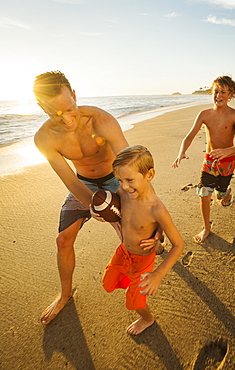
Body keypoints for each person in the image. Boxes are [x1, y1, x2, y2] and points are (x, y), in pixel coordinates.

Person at [33, 71, 160, 325]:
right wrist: (95, 204)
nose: (67, 119)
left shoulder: (102, 120)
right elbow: (70, 181)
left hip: (117, 178)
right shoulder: (44, 138)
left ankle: (154, 248)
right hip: (83, 184)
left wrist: (149, 214)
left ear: (75, 96)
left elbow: (132, 168)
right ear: (41, 107)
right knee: (62, 240)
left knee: (133, 237)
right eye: (55, 114)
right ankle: (65, 294)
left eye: (70, 108)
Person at [102, 145, 184, 335]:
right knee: (107, 282)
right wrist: (97, 211)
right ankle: (131, 283)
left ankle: (147, 318)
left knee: (135, 300)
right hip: (123, 252)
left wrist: (158, 275)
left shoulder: (156, 209)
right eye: (120, 180)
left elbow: (179, 245)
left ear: (150, 175)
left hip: (143, 260)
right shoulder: (123, 193)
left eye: (129, 180)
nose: (123, 186)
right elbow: (108, 208)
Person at [172, 75, 235, 243]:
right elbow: (190, 136)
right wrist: (181, 152)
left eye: (223, 92)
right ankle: (206, 228)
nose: (218, 95)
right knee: (204, 195)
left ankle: (225, 193)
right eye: (215, 91)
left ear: (231, 94)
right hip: (208, 162)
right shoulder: (204, 114)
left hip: (227, 163)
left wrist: (227, 151)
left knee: (219, 197)